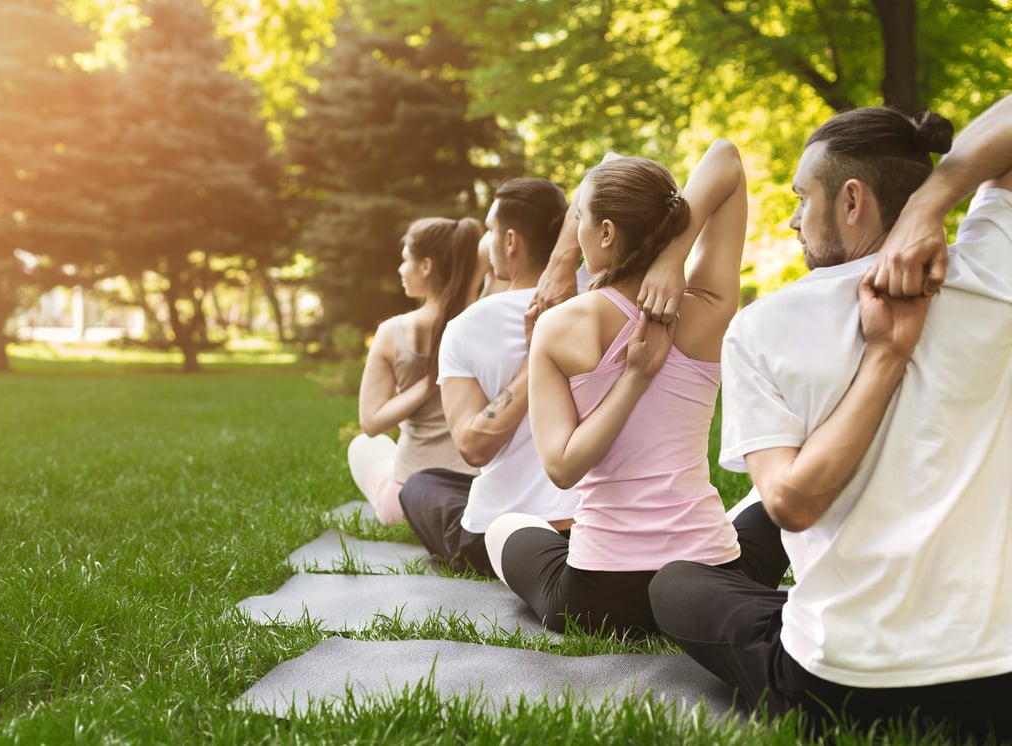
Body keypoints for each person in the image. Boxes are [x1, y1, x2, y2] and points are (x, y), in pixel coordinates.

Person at [649, 93, 1012, 741]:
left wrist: (887, 354)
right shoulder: (993, 269)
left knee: (677, 584)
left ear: (852, 200)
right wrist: (940, 198)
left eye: (799, 197)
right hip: (998, 681)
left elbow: (792, 504)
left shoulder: (762, 328)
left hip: (846, 687)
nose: (791, 220)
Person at [484, 142, 788, 636]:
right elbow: (727, 159)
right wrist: (676, 256)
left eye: (581, 218)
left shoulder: (558, 326)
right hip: (714, 579)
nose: (578, 233)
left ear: (605, 232)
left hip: (598, 596)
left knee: (506, 528)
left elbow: (561, 469)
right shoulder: (705, 306)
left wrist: (633, 379)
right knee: (770, 498)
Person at [399, 178, 581, 576]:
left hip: (503, 537)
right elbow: (610, 168)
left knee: (418, 487)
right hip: (592, 525)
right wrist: (567, 258)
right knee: (442, 480)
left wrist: (537, 362)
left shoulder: (467, 326)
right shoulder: (602, 298)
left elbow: (473, 447)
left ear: (510, 241)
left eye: (490, 231)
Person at [347, 217, 483, 525]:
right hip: (473, 493)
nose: (400, 269)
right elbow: (485, 249)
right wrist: (434, 379)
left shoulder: (391, 332)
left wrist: (425, 384)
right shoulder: (480, 321)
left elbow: (371, 423)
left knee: (364, 446)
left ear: (426, 266)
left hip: (407, 501)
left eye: (405, 259)